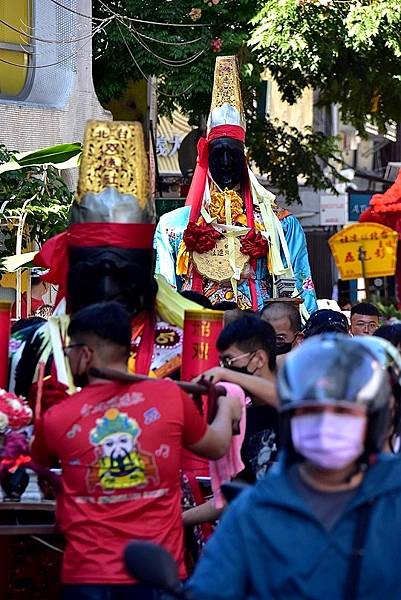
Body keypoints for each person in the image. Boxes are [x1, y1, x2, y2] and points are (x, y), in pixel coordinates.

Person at [31, 302, 241, 600]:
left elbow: (34, 466)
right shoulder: (169, 396)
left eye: (69, 351)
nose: (68, 359)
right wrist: (229, 408)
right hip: (157, 574)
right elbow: (217, 445)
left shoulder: (57, 417)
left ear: (85, 353)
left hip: (88, 575)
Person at [188, 334, 401, 600]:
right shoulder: (254, 511)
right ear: (290, 421)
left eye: (343, 413)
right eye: (311, 411)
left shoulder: (394, 497)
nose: (325, 425)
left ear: (374, 423)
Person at [154, 56, 317, 314]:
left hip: (259, 337)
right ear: (206, 157)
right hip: (197, 336)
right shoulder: (173, 227)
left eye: (234, 153)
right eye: (219, 154)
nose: (227, 162)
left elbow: (298, 291)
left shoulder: (281, 227)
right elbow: (164, 294)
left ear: (245, 158)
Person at [196, 315, 278, 482]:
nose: (224, 369)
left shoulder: (297, 407)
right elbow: (235, 493)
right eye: (221, 363)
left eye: (228, 360)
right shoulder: (243, 417)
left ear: (259, 359)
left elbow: (286, 398)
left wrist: (224, 373)